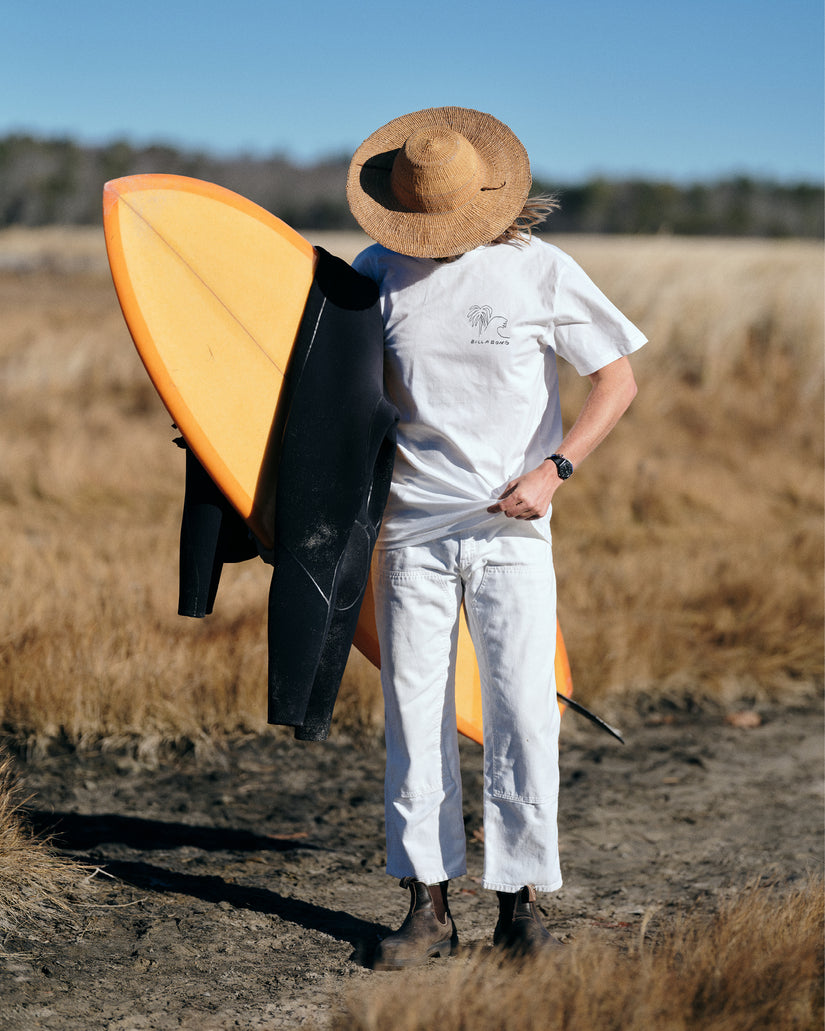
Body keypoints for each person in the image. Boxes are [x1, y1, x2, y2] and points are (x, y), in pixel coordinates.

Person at [345, 106, 646, 969]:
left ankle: (518, 910)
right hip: (411, 529)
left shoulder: (538, 271)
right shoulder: (375, 270)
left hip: (514, 530)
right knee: (414, 714)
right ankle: (426, 906)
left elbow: (615, 381)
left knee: (522, 713)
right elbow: (332, 395)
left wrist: (556, 467)